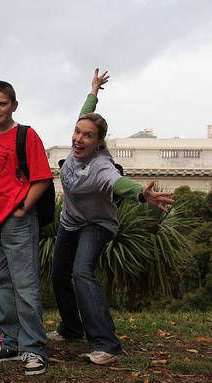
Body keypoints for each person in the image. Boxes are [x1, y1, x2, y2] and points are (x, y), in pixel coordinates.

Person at [49, 69, 174, 365]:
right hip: (71, 221)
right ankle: (71, 328)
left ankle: (107, 345)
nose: (79, 139)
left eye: (87, 136)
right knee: (58, 274)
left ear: (99, 142)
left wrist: (143, 195)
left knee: (81, 272)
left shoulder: (101, 167)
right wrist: (93, 91)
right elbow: (86, 112)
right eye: (77, 132)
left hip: (97, 225)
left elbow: (119, 184)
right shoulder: (77, 143)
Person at [0, 81, 51, 375]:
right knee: (0, 283)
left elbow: (42, 177)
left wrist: (22, 209)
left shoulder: (26, 135)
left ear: (14, 105)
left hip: (17, 221)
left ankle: (34, 348)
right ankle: (10, 342)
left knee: (25, 284)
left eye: (2, 104)